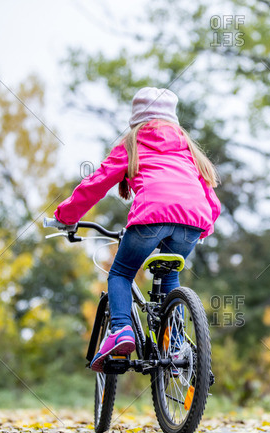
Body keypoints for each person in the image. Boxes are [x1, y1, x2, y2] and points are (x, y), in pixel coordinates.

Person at [53, 87, 221, 372]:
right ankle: (176, 342)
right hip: (194, 219)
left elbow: (96, 183)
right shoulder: (188, 150)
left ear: (136, 118)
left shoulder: (132, 144)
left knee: (120, 272)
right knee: (169, 273)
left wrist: (66, 215)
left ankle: (121, 329)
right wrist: (205, 228)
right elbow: (210, 198)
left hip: (151, 217)